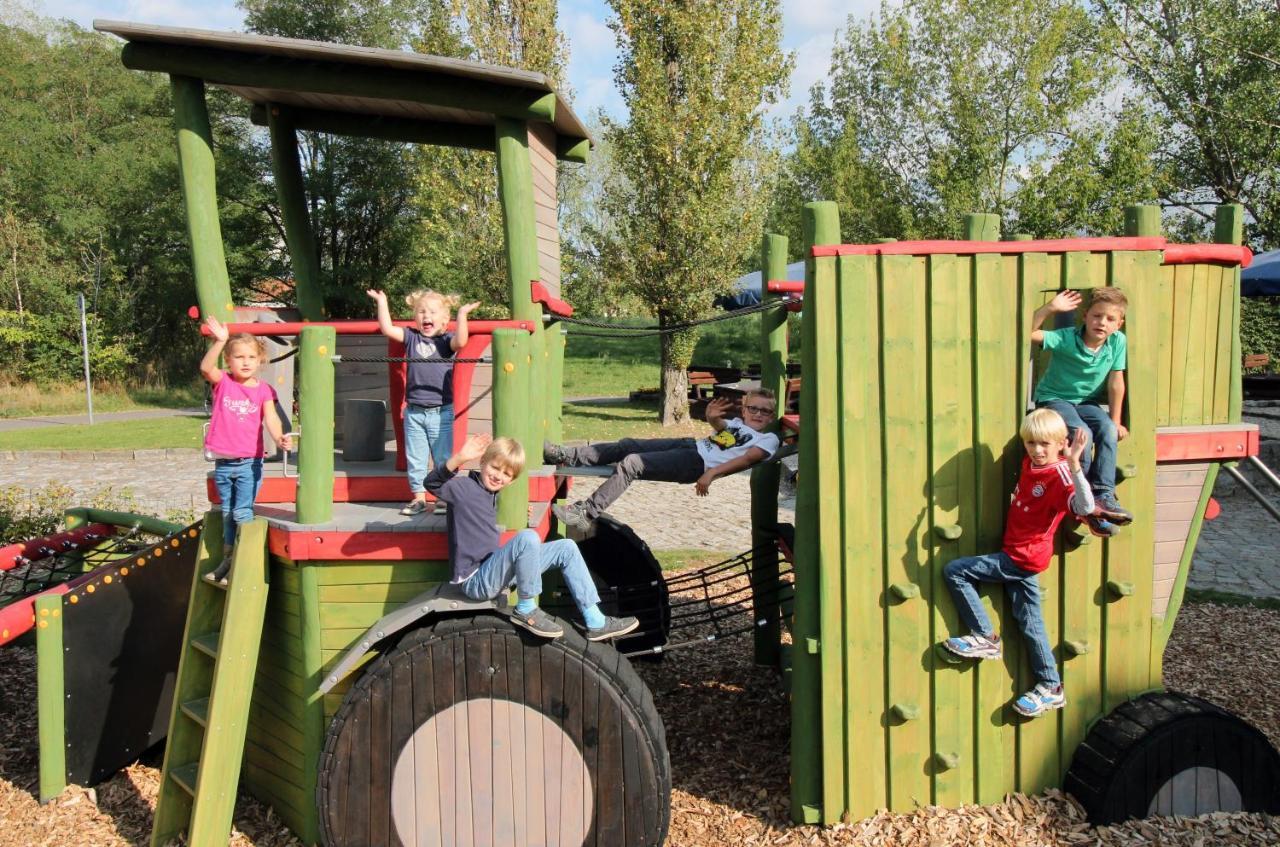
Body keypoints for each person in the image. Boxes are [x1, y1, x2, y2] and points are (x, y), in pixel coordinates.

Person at [941, 408, 1094, 718]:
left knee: (955, 572)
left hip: (1021, 558)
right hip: (1018, 553)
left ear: (1061, 443)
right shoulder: (1031, 463)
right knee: (1031, 624)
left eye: (1044, 445)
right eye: (1030, 444)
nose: (1037, 451)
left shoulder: (1060, 473)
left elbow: (1086, 506)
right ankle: (1051, 686)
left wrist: (1075, 463)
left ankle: (985, 637)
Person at [425, 433, 639, 642]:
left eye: (506, 474)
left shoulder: (489, 492)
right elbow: (431, 483)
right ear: (482, 462)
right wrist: (460, 458)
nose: (498, 476)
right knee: (527, 538)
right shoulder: (463, 488)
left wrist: (523, 510)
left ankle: (595, 620)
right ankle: (526, 608)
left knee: (567, 548)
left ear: (511, 480)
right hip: (475, 580)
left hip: (493, 570)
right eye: (495, 467)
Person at [545, 389, 781, 532]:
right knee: (628, 445)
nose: (759, 414)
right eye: (754, 409)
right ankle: (568, 455)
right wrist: (712, 417)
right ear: (744, 410)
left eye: (765, 411)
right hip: (691, 445)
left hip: (696, 464)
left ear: (772, 416)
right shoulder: (738, 425)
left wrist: (712, 473)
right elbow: (721, 429)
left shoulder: (768, 438)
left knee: (632, 463)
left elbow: (748, 459)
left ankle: (585, 513)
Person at [1030, 286, 1132, 536]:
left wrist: (1116, 420)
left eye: (1110, 319)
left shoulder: (1118, 341)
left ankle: (1103, 493)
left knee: (1107, 429)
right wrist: (1050, 308)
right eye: (1097, 316)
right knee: (1081, 433)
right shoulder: (1066, 338)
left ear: (1119, 324)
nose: (1102, 322)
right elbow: (1027, 332)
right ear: (1085, 316)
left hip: (1086, 402)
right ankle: (1080, 494)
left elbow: (1116, 381)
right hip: (1054, 398)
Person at [368, 288, 479, 516]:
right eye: (420, 312)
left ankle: (442, 497)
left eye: (432, 312)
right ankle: (418, 498)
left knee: (442, 457)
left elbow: (461, 340)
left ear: (444, 320)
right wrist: (382, 302)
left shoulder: (447, 340)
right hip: (415, 412)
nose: (425, 316)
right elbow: (387, 329)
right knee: (416, 457)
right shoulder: (411, 337)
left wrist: (462, 316)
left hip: (441, 412)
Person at [200, 316, 293, 585]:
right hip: (223, 462)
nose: (245, 361)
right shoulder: (224, 383)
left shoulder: (264, 390)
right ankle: (228, 560)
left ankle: (242, 562)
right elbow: (206, 367)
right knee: (228, 513)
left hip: (249, 462)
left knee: (242, 513)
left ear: (260, 360)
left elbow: (271, 418)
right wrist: (220, 341)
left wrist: (279, 437)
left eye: (251, 356)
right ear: (228, 360)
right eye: (239, 356)